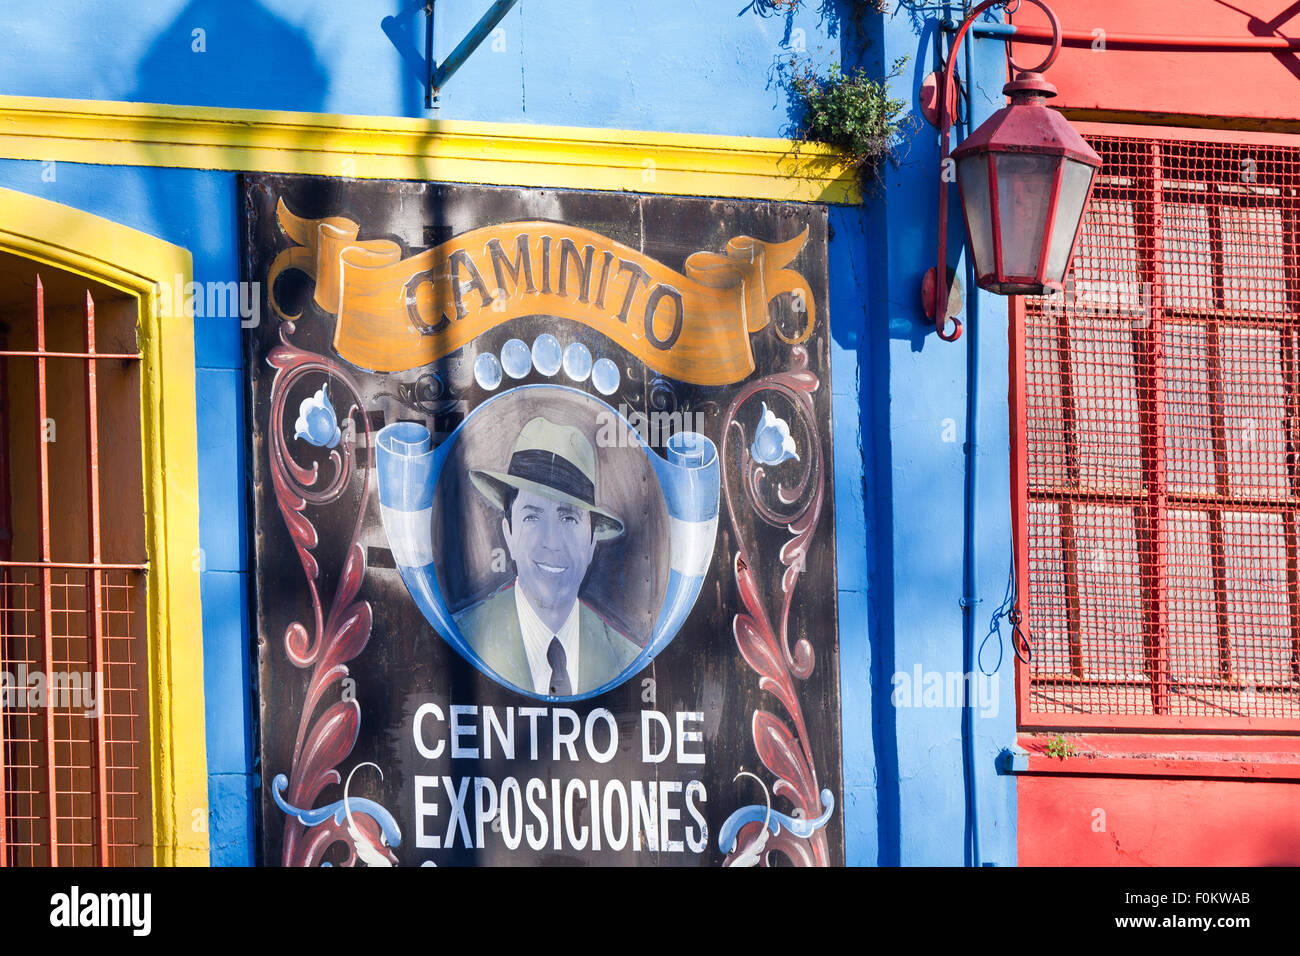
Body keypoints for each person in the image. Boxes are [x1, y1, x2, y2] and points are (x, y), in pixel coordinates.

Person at [454, 415, 642, 696]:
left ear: (592, 543)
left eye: (568, 518)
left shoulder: (627, 660)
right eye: (532, 517)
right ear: (509, 534)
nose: (551, 541)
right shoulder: (461, 639)